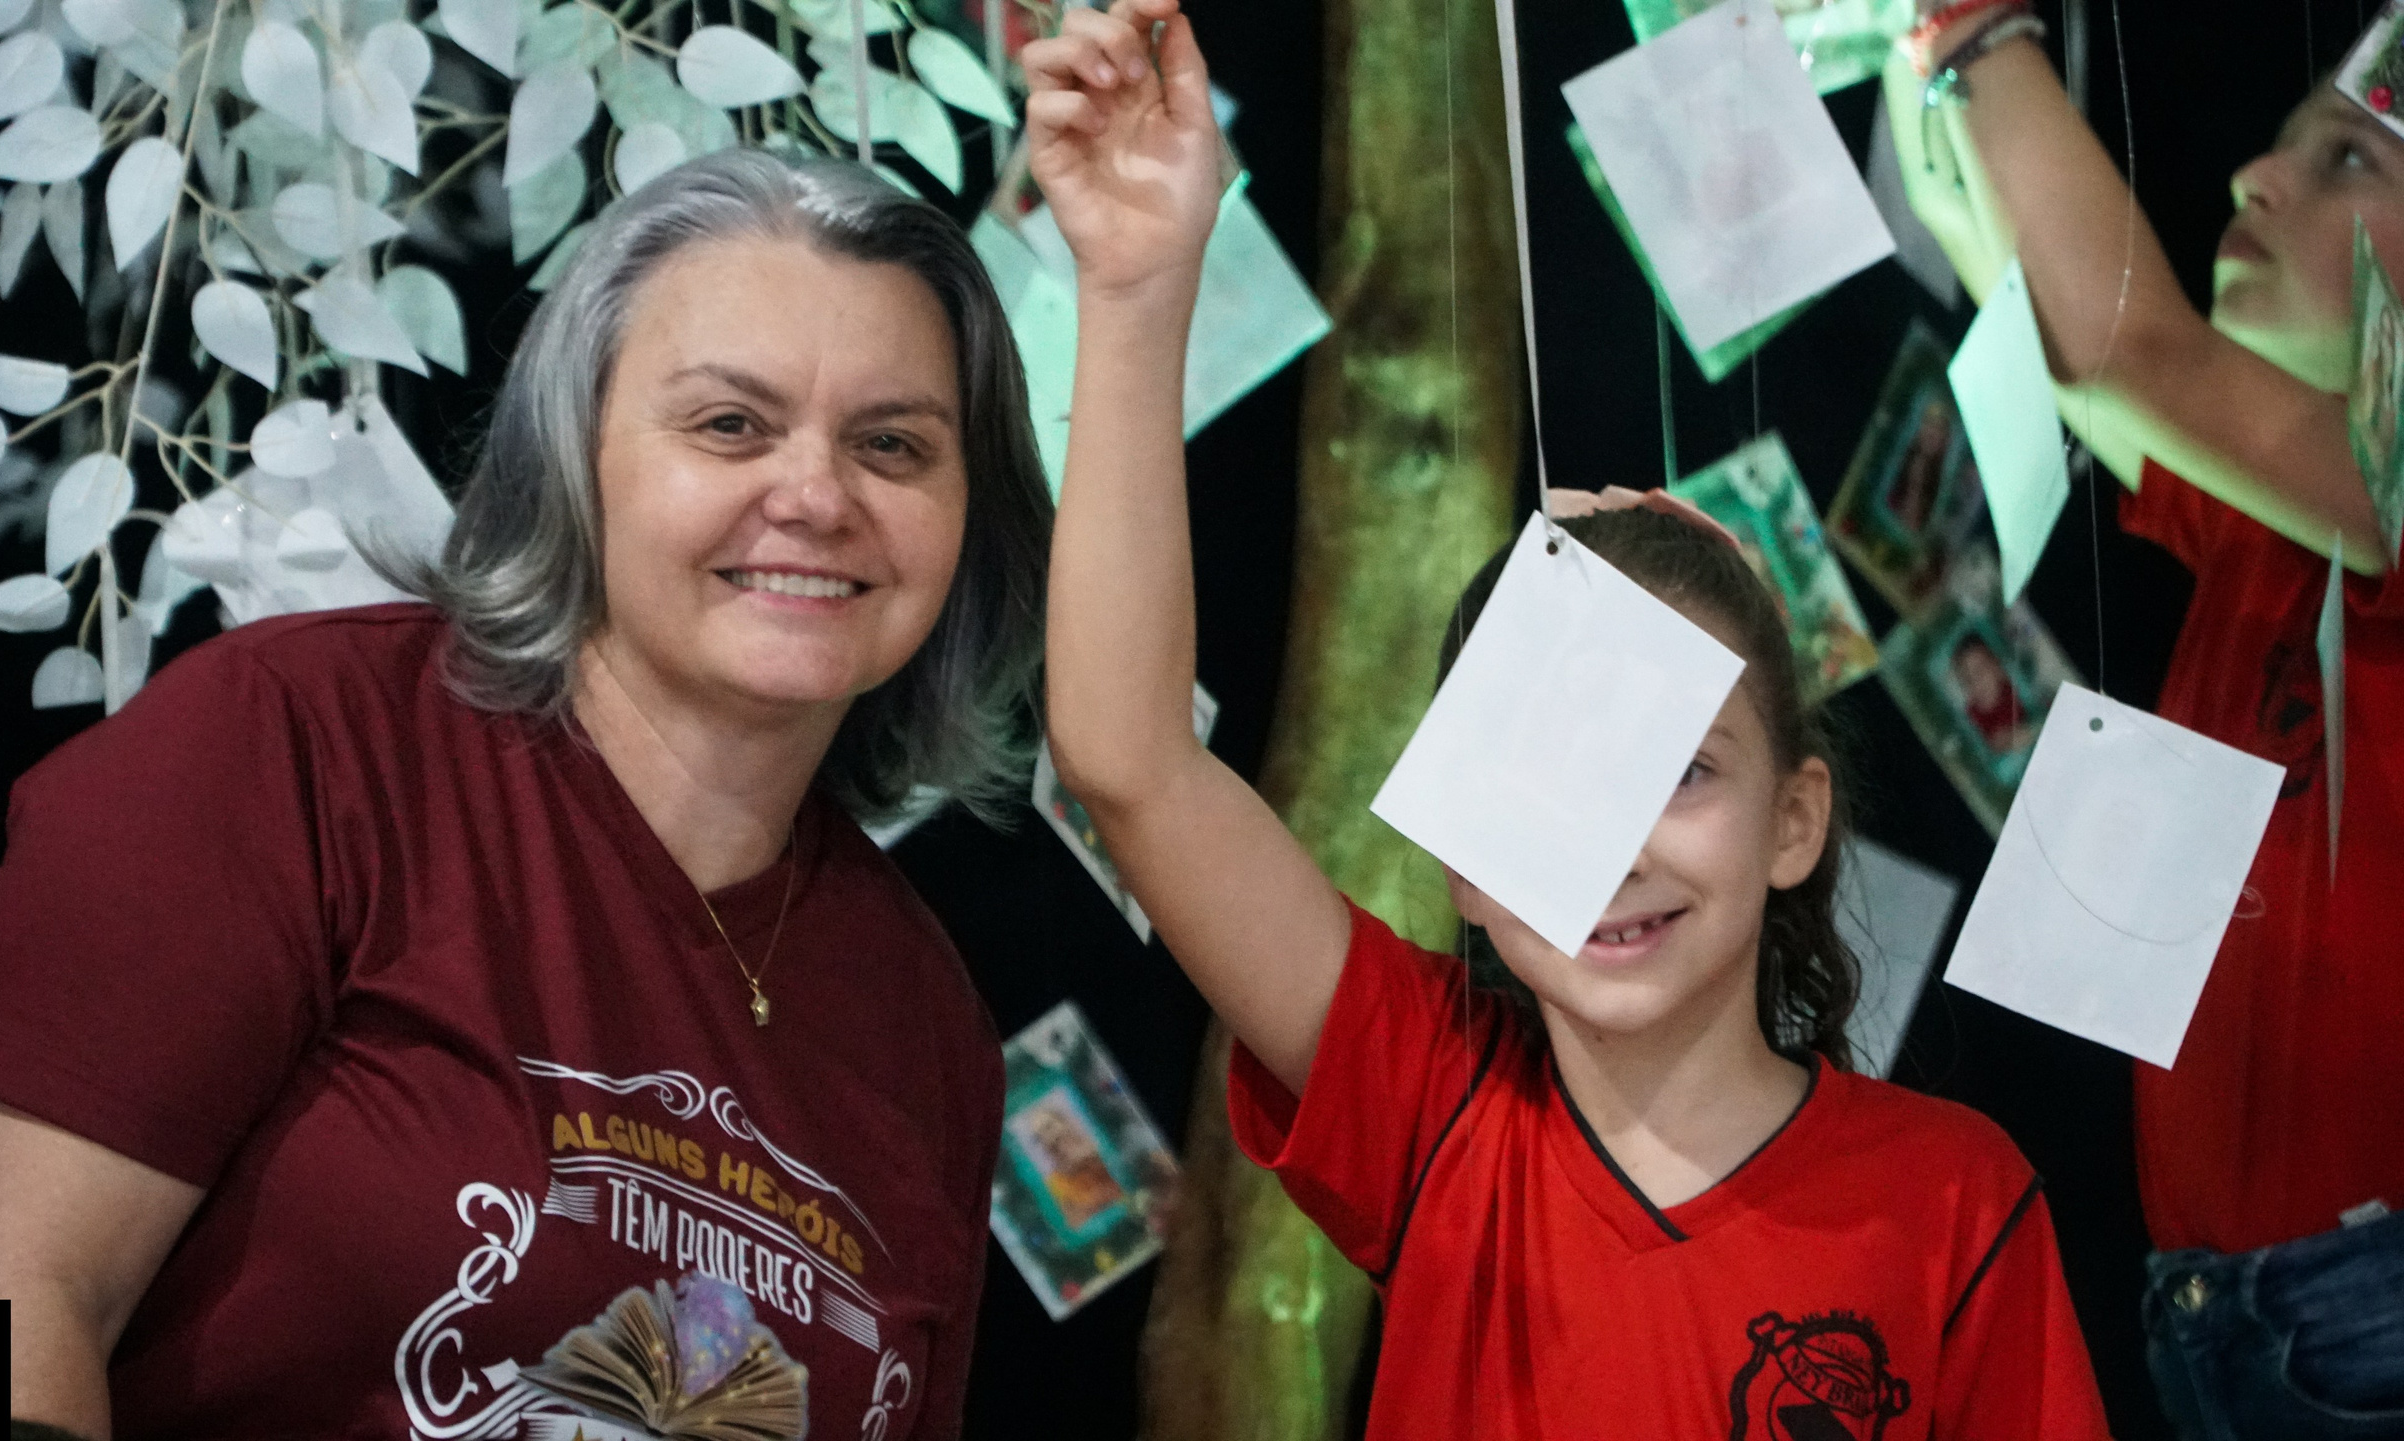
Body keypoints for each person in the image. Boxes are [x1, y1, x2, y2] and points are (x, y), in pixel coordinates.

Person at [1022, 3, 2110, 1433]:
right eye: (1555, 776)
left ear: (1797, 818)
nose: (1616, 846)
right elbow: (1129, 760)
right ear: (1464, 854)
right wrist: (1133, 283)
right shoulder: (1426, 1100)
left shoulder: (1958, 1196)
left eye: (1684, 768)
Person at [0, 150, 1050, 1440]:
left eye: (893, 445)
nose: (816, 497)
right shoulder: (288, 746)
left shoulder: (932, 1033)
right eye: (729, 425)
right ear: (574, 452)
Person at [1889, 5, 2404, 1434]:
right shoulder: (2268, 532)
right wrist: (1928, 88)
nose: (2254, 175)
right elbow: (2054, 332)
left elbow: (2130, 352)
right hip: (2214, 1313)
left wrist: (1981, 32)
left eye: (2348, 161)